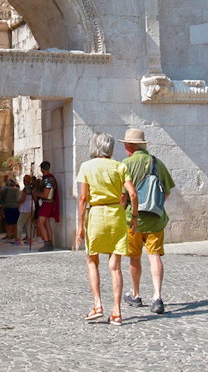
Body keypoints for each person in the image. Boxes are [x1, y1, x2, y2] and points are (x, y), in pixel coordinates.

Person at [76, 132, 138, 326]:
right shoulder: (120, 166)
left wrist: (80, 225)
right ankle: (117, 311)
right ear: (111, 148)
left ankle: (97, 305)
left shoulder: (86, 166)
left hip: (96, 215)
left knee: (92, 259)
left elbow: (83, 198)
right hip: (116, 215)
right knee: (115, 266)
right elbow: (133, 194)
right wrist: (134, 216)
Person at [119, 128, 175, 315]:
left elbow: (123, 196)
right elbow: (167, 191)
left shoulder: (125, 165)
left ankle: (135, 294)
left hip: (132, 220)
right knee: (154, 255)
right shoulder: (157, 163)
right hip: (155, 219)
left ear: (130, 146)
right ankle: (157, 297)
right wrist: (155, 205)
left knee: (134, 257)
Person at [35, 161, 60, 251]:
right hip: (47, 203)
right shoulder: (47, 178)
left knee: (40, 223)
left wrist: (36, 193)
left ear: (42, 169)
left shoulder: (48, 179)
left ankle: (47, 242)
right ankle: (49, 242)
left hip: (47, 203)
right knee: (46, 223)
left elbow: (46, 194)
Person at [0, 177, 20, 242]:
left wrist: (5, 187)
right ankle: (16, 237)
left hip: (8, 207)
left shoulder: (7, 189)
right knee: (15, 223)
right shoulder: (17, 189)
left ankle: (8, 237)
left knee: (9, 223)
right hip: (16, 207)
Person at [17, 174, 35, 245]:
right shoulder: (32, 188)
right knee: (28, 224)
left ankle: (18, 239)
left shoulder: (25, 189)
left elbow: (23, 199)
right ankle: (29, 239)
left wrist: (17, 202)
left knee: (19, 224)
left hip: (25, 207)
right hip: (31, 206)